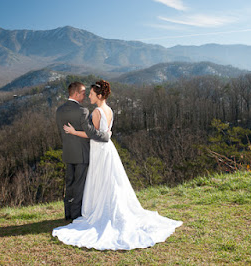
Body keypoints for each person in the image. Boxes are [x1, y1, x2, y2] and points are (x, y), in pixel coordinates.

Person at [52, 80, 182, 250]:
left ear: (99, 95)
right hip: (107, 150)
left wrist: (74, 131)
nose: (88, 96)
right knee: (109, 180)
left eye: (91, 94)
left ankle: (93, 210)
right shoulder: (109, 110)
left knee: (100, 180)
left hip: (99, 149)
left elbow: (94, 135)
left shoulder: (97, 112)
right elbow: (105, 132)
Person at [55, 82, 110, 221]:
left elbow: (61, 133)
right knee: (79, 185)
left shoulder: (59, 110)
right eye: (84, 93)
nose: (86, 96)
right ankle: (75, 215)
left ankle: (67, 213)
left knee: (69, 184)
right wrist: (106, 136)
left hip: (68, 152)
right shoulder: (82, 111)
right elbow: (91, 132)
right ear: (76, 94)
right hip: (82, 153)